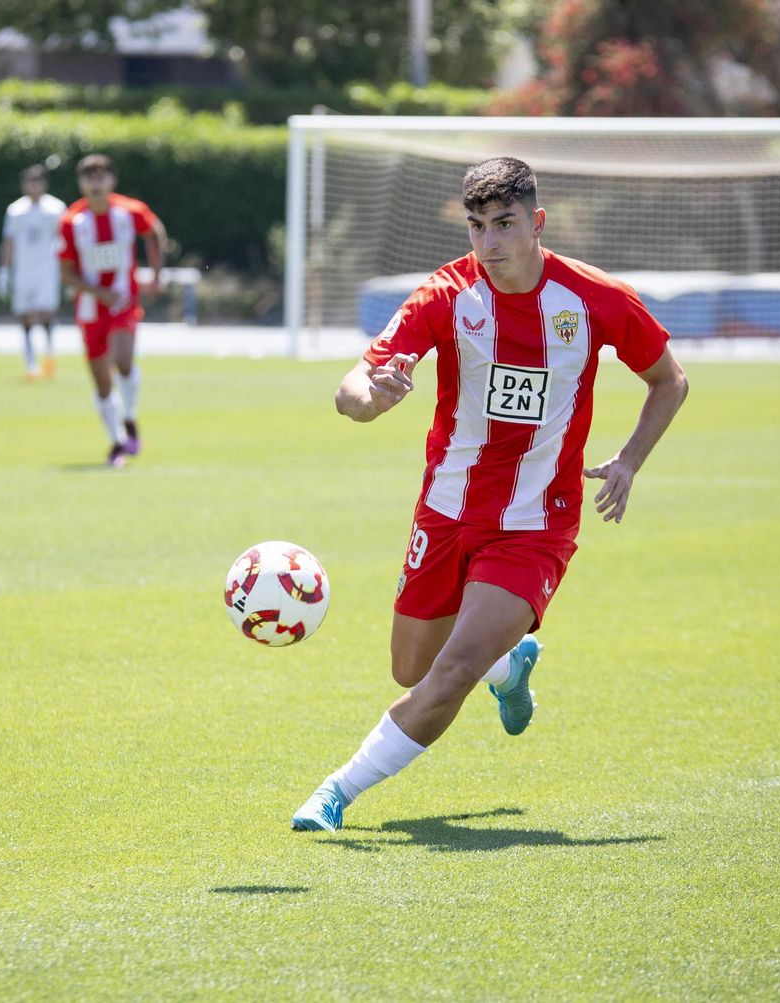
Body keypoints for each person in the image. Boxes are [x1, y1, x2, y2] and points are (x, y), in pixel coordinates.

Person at [291, 156, 690, 832]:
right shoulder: (447, 294)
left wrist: (629, 459)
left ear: (536, 222)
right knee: (410, 666)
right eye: (477, 227)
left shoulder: (593, 299)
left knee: (448, 674)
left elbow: (668, 379)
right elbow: (349, 389)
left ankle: (334, 793)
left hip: (538, 524)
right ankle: (509, 664)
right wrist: (374, 398)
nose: (490, 243)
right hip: (446, 511)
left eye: (505, 224)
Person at [57, 153, 167, 468]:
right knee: (100, 378)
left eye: (101, 176)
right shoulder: (71, 221)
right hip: (91, 306)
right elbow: (66, 272)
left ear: (112, 181)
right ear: (81, 183)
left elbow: (155, 231)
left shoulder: (129, 212)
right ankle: (117, 439)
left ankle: (129, 417)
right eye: (89, 177)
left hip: (123, 300)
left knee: (122, 360)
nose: (95, 183)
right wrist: (97, 292)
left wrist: (157, 274)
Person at [0, 164, 67, 381]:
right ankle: (30, 363)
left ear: (44, 184)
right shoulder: (15, 210)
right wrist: (3, 272)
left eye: (37, 181)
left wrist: (68, 271)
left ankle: (49, 358)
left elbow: (66, 240)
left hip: (47, 270)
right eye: (29, 181)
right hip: (24, 271)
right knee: (25, 316)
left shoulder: (56, 208)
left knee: (46, 314)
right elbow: (8, 242)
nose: (34, 185)